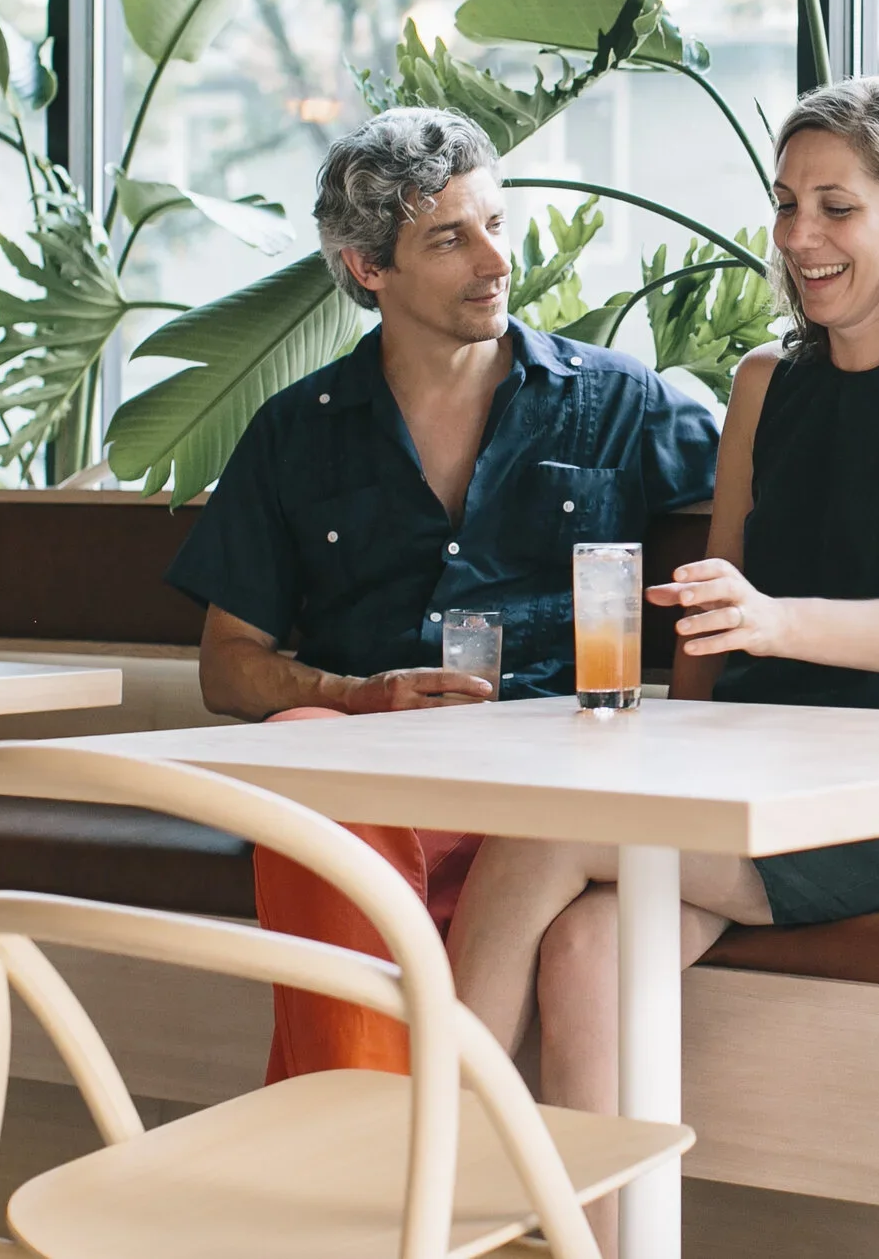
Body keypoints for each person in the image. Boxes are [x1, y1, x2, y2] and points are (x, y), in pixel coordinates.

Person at [443, 76, 879, 1197]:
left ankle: (432, 1160)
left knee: (541, 835)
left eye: (836, 206)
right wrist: (678, 741)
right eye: (784, 204)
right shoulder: (765, 382)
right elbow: (713, 614)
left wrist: (779, 618)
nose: (800, 237)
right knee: (585, 952)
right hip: (753, 778)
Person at [164, 105, 721, 1081]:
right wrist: (354, 695)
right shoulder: (295, 433)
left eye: (496, 224)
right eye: (450, 238)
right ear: (367, 266)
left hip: (554, 784)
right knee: (308, 754)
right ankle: (382, 1140)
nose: (495, 260)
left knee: (318, 799)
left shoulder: (616, 401)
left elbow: (793, 471)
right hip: (379, 787)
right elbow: (226, 664)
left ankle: (365, 1152)